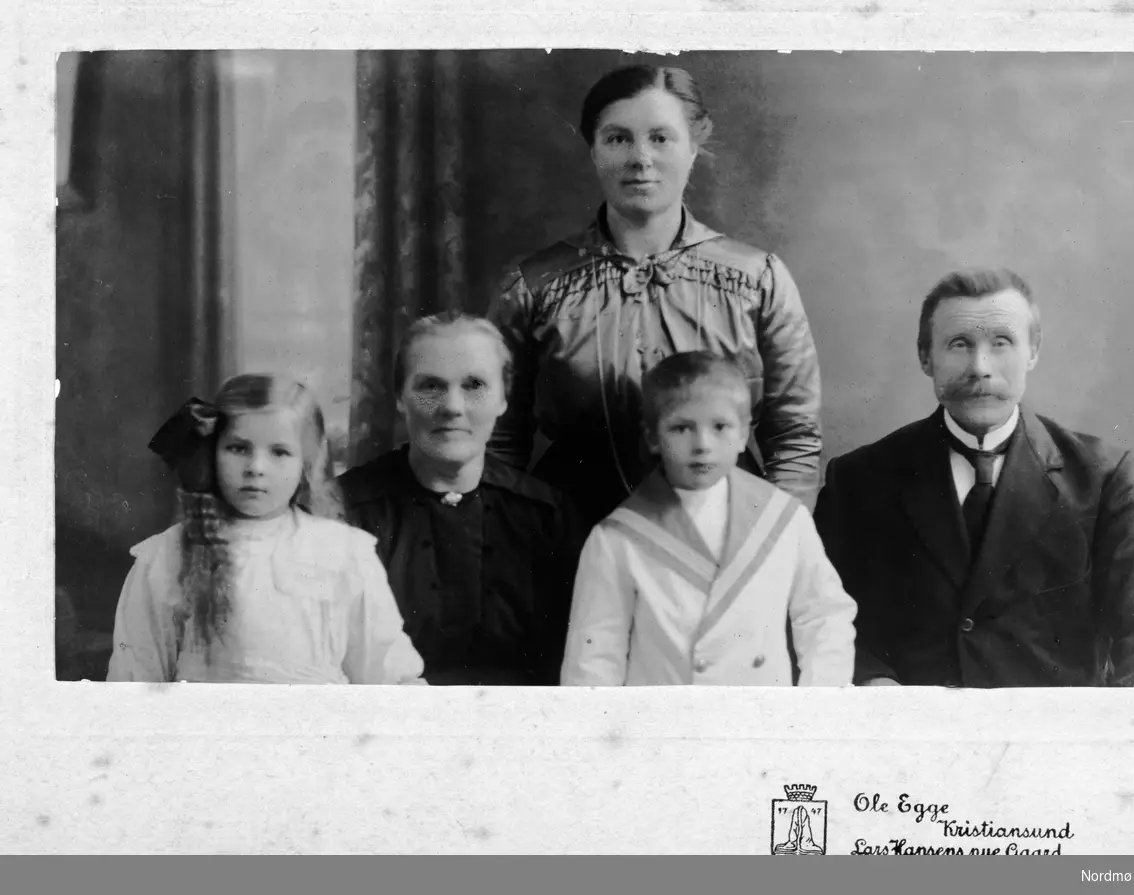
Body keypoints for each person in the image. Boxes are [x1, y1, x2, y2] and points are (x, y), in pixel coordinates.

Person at [488, 64, 823, 526]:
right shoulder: (535, 287)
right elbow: (498, 442)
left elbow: (794, 435)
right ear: (593, 149)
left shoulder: (758, 279)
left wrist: (775, 551)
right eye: (618, 138)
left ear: (694, 146)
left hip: (724, 545)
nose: (640, 158)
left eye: (661, 138)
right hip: (569, 545)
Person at [813, 268, 1134, 688]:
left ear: (1033, 352)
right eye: (959, 344)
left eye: (1001, 343)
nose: (980, 367)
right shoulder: (859, 480)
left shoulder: (1105, 478)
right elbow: (822, 619)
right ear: (924, 357)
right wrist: (874, 683)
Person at [107, 374, 426, 685]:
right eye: (238, 448)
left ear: (306, 462)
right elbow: (135, 679)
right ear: (211, 452)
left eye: (279, 452)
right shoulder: (167, 556)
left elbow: (389, 674)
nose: (256, 468)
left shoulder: (343, 553)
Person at [560, 352, 856, 686]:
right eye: (682, 428)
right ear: (653, 437)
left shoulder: (783, 518)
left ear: (744, 433)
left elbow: (824, 615)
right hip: (666, 728)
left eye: (720, 426)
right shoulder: (617, 538)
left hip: (761, 725)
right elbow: (593, 657)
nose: (702, 444)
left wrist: (818, 705)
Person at [338, 312, 586, 686]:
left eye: (474, 385)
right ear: (400, 398)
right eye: (430, 386)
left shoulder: (548, 518)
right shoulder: (345, 514)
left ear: (505, 398)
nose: (453, 406)